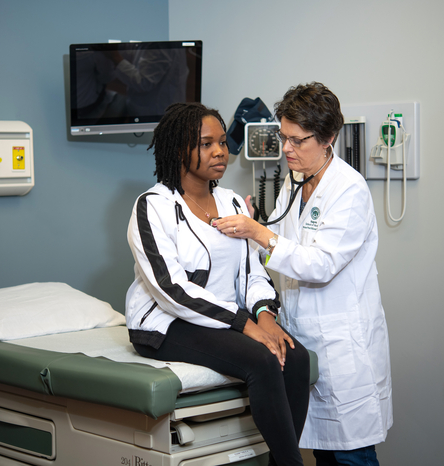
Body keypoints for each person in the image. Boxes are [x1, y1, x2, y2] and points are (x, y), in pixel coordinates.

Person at [212, 82, 392, 466]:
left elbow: (321, 265)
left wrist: (259, 233)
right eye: (283, 138)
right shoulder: (296, 182)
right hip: (303, 340)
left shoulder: (349, 190)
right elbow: (284, 249)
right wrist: (257, 228)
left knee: (351, 457)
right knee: (323, 456)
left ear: (328, 138)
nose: (287, 150)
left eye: (297, 141)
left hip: (342, 347)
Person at [125, 102, 311, 466]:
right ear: (180, 149)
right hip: (165, 323)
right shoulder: (152, 207)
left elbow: (253, 270)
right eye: (206, 144)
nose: (220, 152)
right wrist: (245, 325)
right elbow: (172, 291)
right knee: (262, 360)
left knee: (296, 356)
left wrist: (266, 318)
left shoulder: (229, 202)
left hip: (226, 319)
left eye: (223, 142)